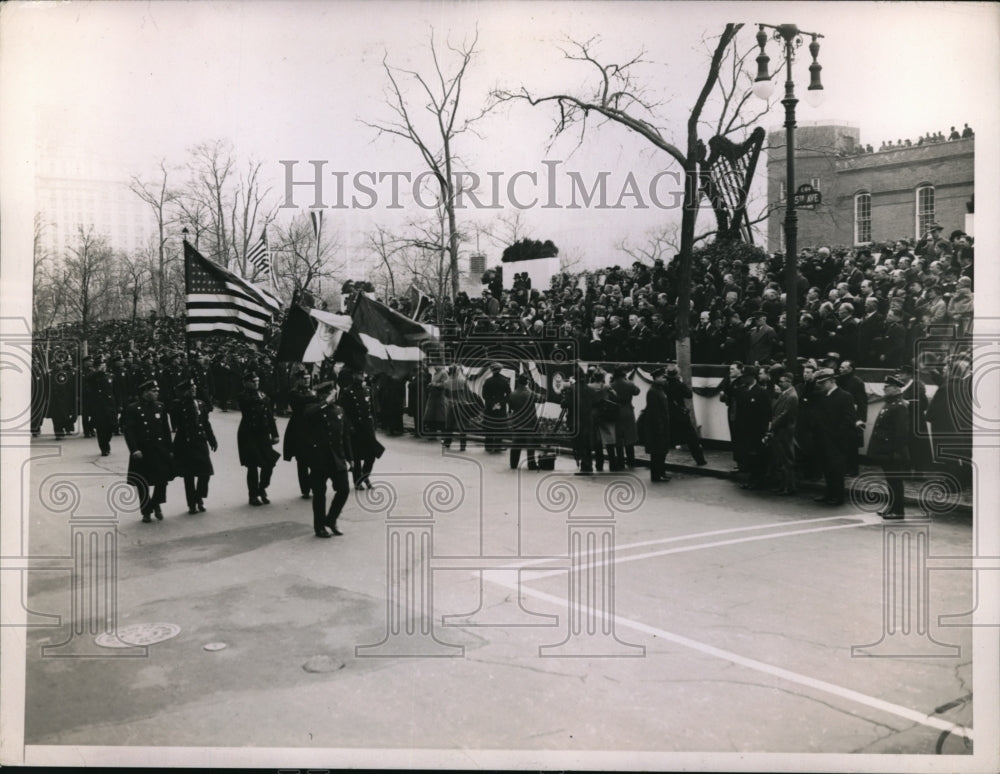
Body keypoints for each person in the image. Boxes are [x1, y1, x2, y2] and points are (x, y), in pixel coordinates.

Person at [304, 380, 353, 537]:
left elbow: (345, 436)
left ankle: (331, 520)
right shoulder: (313, 408)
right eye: (329, 393)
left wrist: (350, 458)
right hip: (319, 459)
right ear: (322, 395)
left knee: (344, 490)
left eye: (333, 392)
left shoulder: (339, 410)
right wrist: (325, 402)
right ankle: (319, 526)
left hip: (337, 458)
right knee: (319, 494)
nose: (333, 396)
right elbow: (308, 415)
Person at [122, 379, 174, 523]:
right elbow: (129, 432)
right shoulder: (133, 408)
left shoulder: (160, 407)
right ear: (145, 393)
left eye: (157, 391)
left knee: (162, 480)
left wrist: (170, 449)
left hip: (159, 450)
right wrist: (134, 450)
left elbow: (166, 430)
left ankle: (155, 504)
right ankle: (146, 511)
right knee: (142, 483)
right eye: (154, 391)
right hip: (142, 451)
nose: (157, 393)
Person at [169, 378, 218, 514]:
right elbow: (175, 419)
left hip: (200, 441)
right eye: (191, 389)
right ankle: (192, 503)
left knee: (206, 472)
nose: (194, 390)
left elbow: (206, 423)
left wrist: (212, 439)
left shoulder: (200, 404)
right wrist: (184, 400)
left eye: (195, 388)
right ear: (185, 391)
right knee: (189, 476)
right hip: (185, 443)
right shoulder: (177, 405)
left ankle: (198, 497)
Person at [867, 375, 911, 519]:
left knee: (895, 482)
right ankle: (891, 507)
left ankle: (898, 511)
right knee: (891, 481)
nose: (884, 388)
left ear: (896, 389)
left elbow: (901, 433)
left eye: (887, 386)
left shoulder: (899, 406)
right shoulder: (891, 404)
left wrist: (895, 451)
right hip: (887, 450)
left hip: (893, 452)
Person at [813, 368, 857, 506]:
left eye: (823, 382)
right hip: (823, 438)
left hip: (837, 440)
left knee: (837, 469)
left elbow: (848, 419)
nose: (821, 385)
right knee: (827, 467)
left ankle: (838, 496)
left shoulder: (845, 396)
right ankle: (829, 493)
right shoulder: (823, 396)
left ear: (832, 381)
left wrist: (837, 435)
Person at [337, 368, 385, 489]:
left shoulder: (367, 390)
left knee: (372, 454)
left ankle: (365, 475)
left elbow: (372, 409)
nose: (362, 375)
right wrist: (349, 427)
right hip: (355, 428)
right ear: (353, 375)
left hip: (368, 428)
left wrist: (374, 423)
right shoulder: (348, 392)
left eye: (362, 373)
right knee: (357, 456)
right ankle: (357, 481)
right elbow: (343, 412)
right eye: (359, 373)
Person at [237, 371, 280, 506]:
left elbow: (269, 415)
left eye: (257, 381)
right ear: (246, 383)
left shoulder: (262, 395)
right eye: (253, 381)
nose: (256, 383)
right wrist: (261, 398)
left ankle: (262, 488)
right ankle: (253, 495)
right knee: (252, 466)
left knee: (269, 463)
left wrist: (275, 433)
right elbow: (246, 404)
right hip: (248, 434)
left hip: (263, 434)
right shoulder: (243, 396)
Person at [284, 369, 320, 499]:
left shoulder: (310, 391)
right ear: (298, 380)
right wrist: (316, 395)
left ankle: (310, 483)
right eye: (304, 378)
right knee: (302, 460)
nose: (307, 380)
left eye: (308, 378)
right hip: (299, 428)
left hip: (312, 427)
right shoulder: (294, 393)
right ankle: (305, 489)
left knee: (316, 459)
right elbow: (301, 403)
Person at [736, 366, 773, 490]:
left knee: (758, 456)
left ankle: (759, 480)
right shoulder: (741, 391)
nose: (744, 379)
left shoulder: (761, 392)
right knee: (748, 455)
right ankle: (752, 478)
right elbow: (739, 411)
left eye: (746, 377)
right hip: (744, 429)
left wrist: (764, 430)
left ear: (753, 377)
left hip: (757, 430)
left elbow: (767, 413)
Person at [664, 365, 708, 466]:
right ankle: (700, 460)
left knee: (667, 438)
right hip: (680, 414)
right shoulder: (678, 384)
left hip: (669, 413)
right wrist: (681, 382)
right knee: (692, 438)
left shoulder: (664, 384)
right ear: (677, 374)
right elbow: (689, 394)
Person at [766, 369, 798, 494]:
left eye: (782, 382)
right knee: (782, 459)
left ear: (789, 382)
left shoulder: (791, 396)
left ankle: (788, 487)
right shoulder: (787, 394)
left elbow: (784, 415)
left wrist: (771, 426)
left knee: (786, 460)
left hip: (784, 431)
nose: (779, 384)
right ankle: (784, 485)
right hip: (782, 430)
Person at [836, 360, 869, 476]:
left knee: (852, 445)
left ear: (850, 369)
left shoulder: (857, 382)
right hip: (840, 416)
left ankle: (853, 469)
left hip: (851, 417)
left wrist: (861, 419)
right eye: (840, 367)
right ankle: (843, 467)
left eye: (843, 367)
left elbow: (862, 402)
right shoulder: (838, 380)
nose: (840, 369)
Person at [88, 356, 120, 456]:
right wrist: (98, 372)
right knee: (101, 428)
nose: (103, 367)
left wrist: (119, 404)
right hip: (99, 407)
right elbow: (88, 379)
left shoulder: (110, 376)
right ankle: (104, 448)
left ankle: (107, 441)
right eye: (101, 366)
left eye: (104, 365)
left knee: (112, 426)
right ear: (96, 367)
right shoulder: (93, 377)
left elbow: (116, 391)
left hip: (110, 406)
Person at [643, 367, 671, 482]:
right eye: (662, 377)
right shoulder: (652, 392)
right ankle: (656, 475)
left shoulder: (660, 389)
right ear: (655, 378)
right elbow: (654, 412)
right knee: (657, 452)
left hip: (663, 425)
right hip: (657, 427)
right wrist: (660, 427)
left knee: (662, 451)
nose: (664, 379)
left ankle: (661, 473)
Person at [507, 373, 538, 470]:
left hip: (517, 423)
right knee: (530, 445)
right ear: (527, 382)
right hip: (529, 423)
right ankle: (531, 464)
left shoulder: (513, 394)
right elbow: (541, 399)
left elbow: (511, 407)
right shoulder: (531, 394)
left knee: (515, 444)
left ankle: (513, 464)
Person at [610, 366, 640, 468]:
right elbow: (637, 392)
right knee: (629, 437)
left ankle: (620, 461)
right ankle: (631, 460)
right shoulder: (630, 384)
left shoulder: (611, 385)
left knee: (618, 438)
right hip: (628, 411)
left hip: (616, 412)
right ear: (623, 375)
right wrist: (628, 381)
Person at [481, 362, 511, 453]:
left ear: (491, 370)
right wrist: (501, 403)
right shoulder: (505, 381)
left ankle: (488, 446)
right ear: (500, 370)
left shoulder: (488, 381)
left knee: (489, 427)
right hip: (501, 408)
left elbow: (484, 395)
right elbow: (509, 394)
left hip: (489, 407)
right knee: (499, 427)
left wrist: (492, 404)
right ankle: (498, 446)